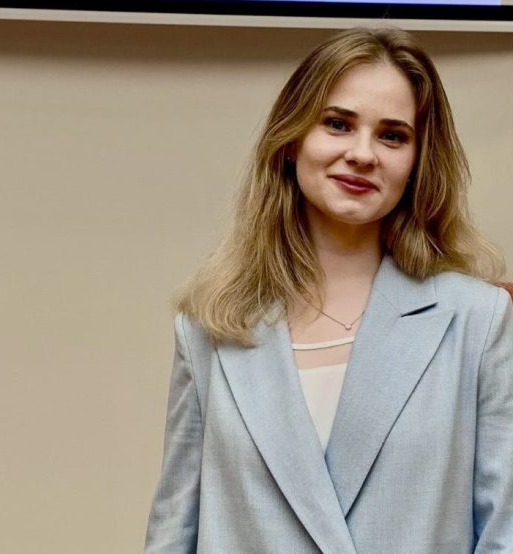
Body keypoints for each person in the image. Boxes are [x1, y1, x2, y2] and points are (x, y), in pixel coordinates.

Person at [144, 27, 513, 553]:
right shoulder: (211, 329)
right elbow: (173, 534)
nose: (362, 154)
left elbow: (505, 531)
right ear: (292, 140)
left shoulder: (479, 320)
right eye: (338, 124)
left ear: (417, 163)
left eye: (392, 136)